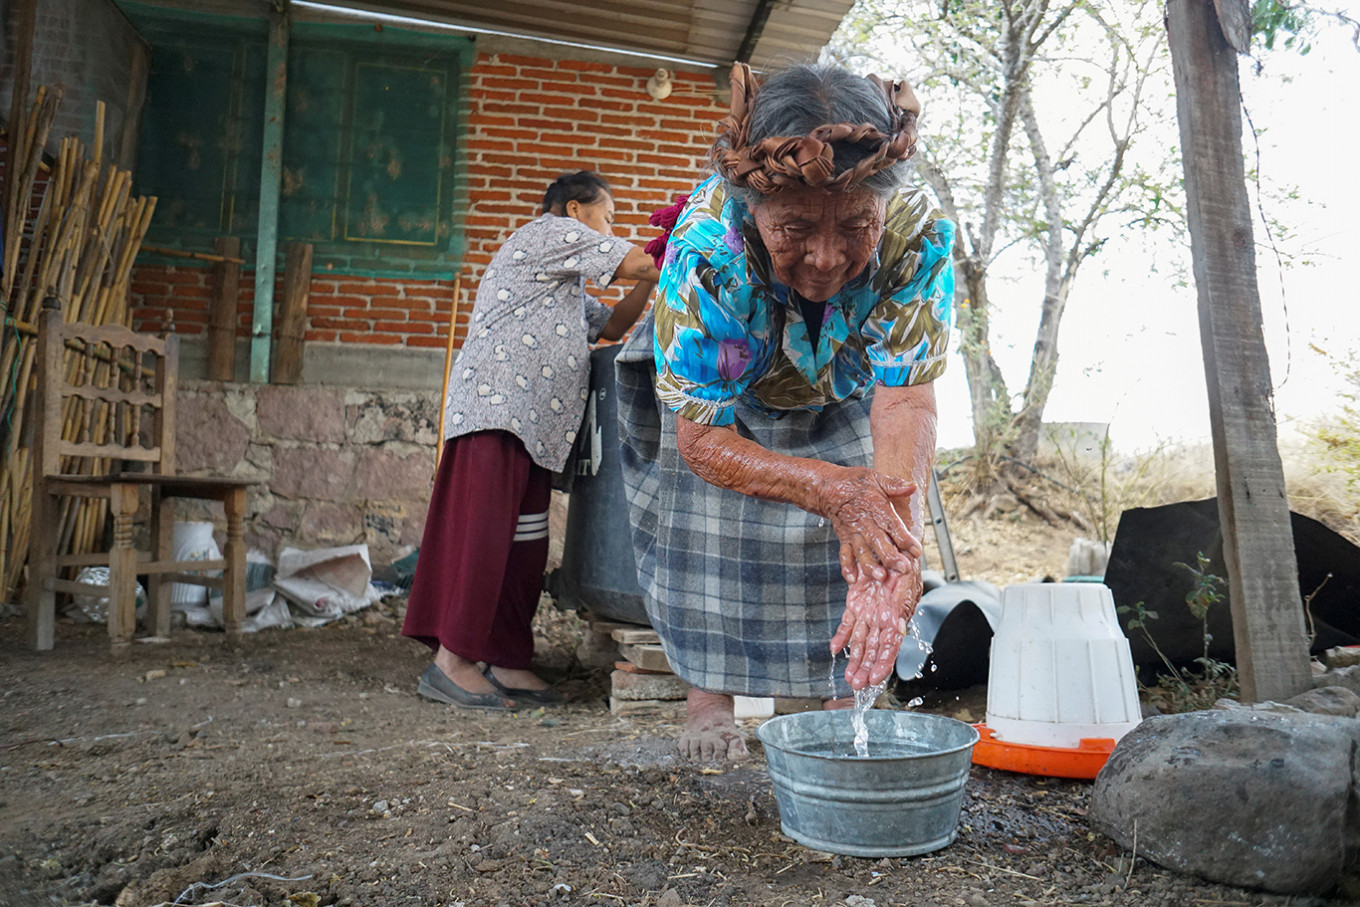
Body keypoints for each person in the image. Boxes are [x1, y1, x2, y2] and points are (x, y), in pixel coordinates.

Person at [617, 63, 955, 760]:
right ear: (755, 207)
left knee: (869, 535)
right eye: (796, 228)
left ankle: (847, 703)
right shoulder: (712, 246)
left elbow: (907, 395)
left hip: (843, 379)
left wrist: (899, 533)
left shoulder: (917, 233)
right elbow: (704, 439)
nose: (826, 258)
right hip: (718, 397)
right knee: (707, 539)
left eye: (856, 225)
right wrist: (831, 491)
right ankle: (708, 705)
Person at [404, 171, 660, 710]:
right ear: (574, 210)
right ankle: (451, 662)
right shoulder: (547, 234)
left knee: (522, 545)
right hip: (499, 413)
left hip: (534, 430)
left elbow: (612, 324)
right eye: (607, 216)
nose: (610, 229)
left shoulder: (562, 286)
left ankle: (506, 658)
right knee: (486, 536)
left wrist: (649, 280)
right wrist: (685, 246)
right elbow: (636, 260)